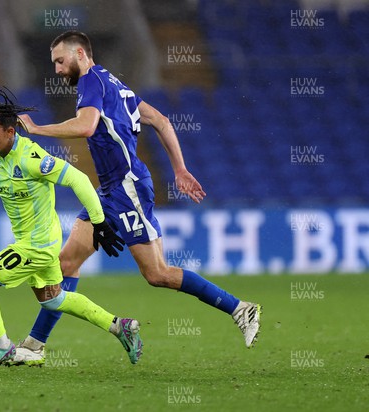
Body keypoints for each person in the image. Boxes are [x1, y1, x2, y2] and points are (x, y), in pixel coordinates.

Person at [14, 31, 261, 366]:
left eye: (60, 61)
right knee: (65, 263)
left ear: (80, 54)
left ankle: (239, 309)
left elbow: (86, 127)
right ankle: (33, 346)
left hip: (127, 188)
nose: (57, 70)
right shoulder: (115, 84)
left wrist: (37, 129)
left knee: (157, 273)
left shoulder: (91, 82)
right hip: (110, 191)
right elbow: (161, 120)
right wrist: (180, 169)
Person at [0, 90, 143, 371]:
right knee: (55, 301)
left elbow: (80, 179)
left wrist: (99, 222)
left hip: (37, 246)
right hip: (36, 242)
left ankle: (0, 346)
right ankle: (120, 327)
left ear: (11, 132)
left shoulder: (32, 158)